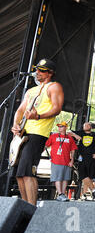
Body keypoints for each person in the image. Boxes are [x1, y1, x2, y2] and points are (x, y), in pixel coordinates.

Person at [11, 58, 64, 205]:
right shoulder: (31, 91)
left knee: (28, 172)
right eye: (37, 70)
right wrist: (16, 124)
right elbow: (21, 110)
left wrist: (38, 116)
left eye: (41, 70)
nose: (37, 73)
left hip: (38, 134)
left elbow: (57, 108)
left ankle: (31, 208)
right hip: (23, 133)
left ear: (50, 73)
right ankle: (24, 206)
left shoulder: (54, 86)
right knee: (19, 174)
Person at [69, 122, 95, 200]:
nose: (85, 126)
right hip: (82, 157)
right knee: (82, 175)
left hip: (91, 157)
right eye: (84, 125)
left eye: (88, 125)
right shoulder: (80, 133)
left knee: (89, 177)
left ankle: (84, 194)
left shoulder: (94, 134)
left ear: (91, 126)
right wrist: (75, 135)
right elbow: (69, 132)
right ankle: (94, 189)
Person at [45, 121, 77, 201]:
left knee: (65, 178)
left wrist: (72, 160)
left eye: (62, 126)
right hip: (56, 161)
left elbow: (73, 150)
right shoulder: (53, 136)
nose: (60, 128)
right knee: (58, 178)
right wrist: (48, 155)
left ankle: (63, 194)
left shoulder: (69, 138)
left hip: (67, 161)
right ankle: (60, 194)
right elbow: (46, 145)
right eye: (59, 126)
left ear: (66, 127)